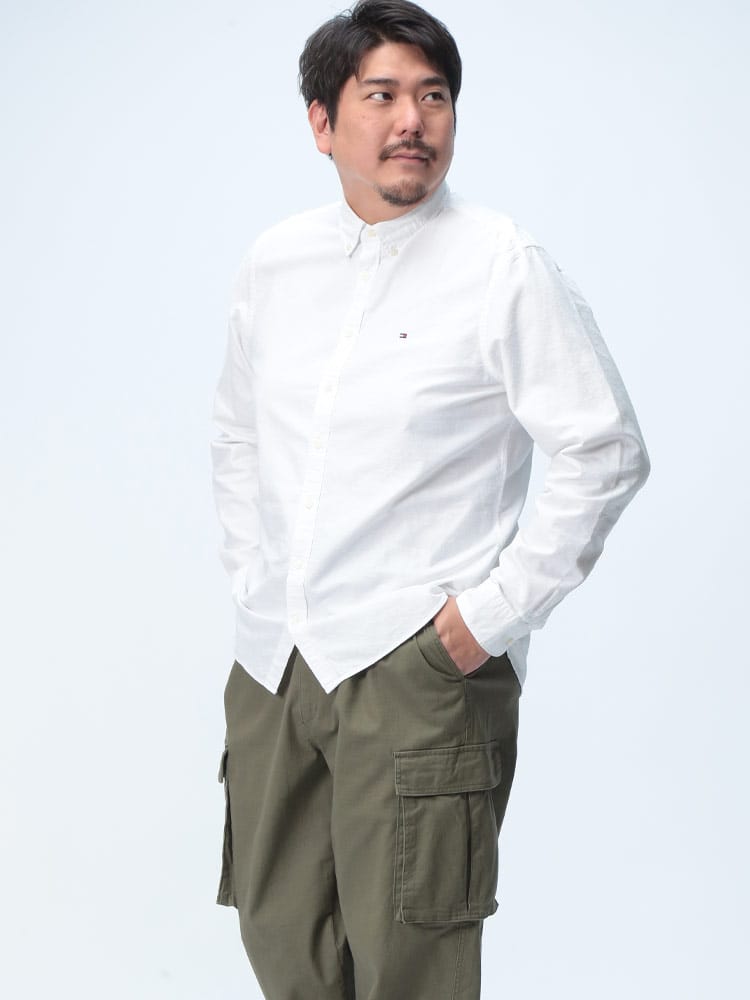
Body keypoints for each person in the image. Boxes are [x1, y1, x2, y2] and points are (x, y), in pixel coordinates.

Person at [210, 1, 651, 996]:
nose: (413, 119)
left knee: (412, 965)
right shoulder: (275, 265)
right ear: (322, 121)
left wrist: (484, 620)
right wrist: (253, 581)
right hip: (275, 666)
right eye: (382, 95)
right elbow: (236, 434)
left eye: (435, 95)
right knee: (282, 943)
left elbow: (605, 449)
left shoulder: (501, 264)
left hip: (417, 669)